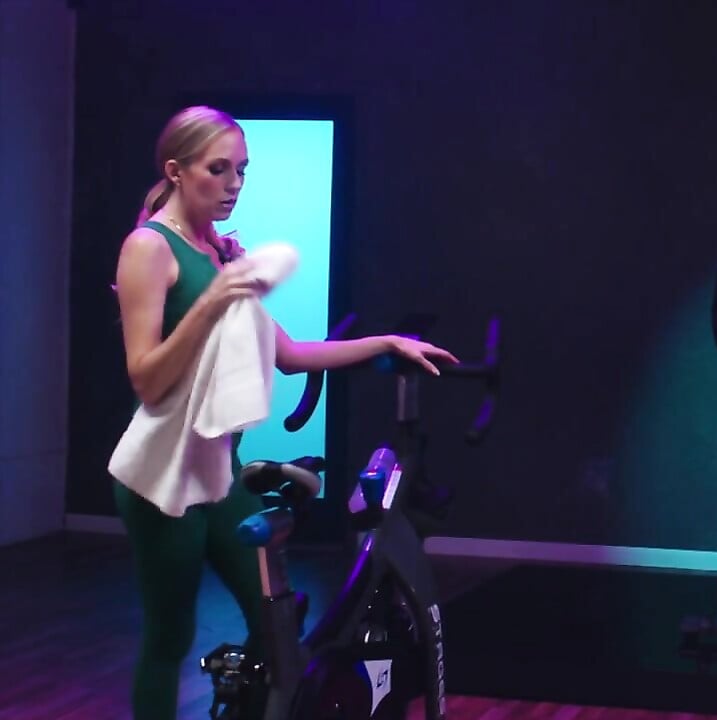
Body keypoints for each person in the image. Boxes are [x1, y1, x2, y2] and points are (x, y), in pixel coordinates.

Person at [112, 105, 458, 720]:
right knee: (170, 637)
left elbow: (292, 355)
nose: (234, 185)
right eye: (218, 170)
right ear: (176, 171)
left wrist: (386, 342)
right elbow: (145, 378)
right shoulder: (150, 248)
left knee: (276, 619)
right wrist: (213, 300)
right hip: (163, 476)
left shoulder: (217, 254)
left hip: (219, 470)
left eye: (242, 170)